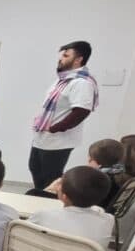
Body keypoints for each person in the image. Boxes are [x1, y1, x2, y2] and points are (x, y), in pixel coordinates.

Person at [30, 41, 99, 189]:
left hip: (58, 142)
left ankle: (49, 205)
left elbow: (81, 111)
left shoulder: (81, 82)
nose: (61, 59)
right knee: (35, 169)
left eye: (66, 55)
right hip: (42, 138)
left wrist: (56, 128)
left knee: (50, 178)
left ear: (78, 59)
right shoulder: (62, 80)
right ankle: (39, 200)